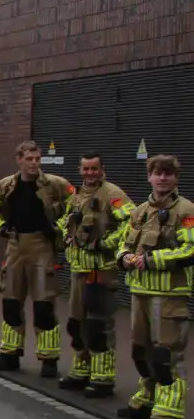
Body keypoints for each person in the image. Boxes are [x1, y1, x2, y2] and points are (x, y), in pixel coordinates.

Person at [114, 154, 194, 419]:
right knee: (141, 351)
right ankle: (147, 400)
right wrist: (124, 258)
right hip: (140, 291)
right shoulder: (139, 211)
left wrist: (150, 259)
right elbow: (123, 243)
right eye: (158, 173)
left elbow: (190, 250)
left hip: (170, 294)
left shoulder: (186, 210)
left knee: (166, 354)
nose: (162, 178)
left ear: (176, 178)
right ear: (149, 176)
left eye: (168, 174)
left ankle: (169, 413)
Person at [0, 140, 74, 378]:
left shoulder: (55, 184)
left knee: (44, 304)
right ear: (19, 159)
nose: (34, 163)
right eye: (29, 159)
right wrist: (1, 228)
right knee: (11, 303)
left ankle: (49, 358)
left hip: (41, 245)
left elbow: (75, 208)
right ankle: (10, 354)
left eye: (37, 159)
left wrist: (59, 229)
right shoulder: (7, 185)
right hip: (14, 245)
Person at [56, 153, 135, 398]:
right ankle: (82, 368)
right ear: (80, 170)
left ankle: (103, 377)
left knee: (98, 325)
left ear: (102, 170)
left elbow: (132, 223)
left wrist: (106, 243)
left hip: (100, 271)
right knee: (76, 323)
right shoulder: (77, 195)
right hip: (78, 271)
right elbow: (64, 220)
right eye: (86, 169)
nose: (90, 173)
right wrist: (66, 234)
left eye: (94, 169)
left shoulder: (112, 195)